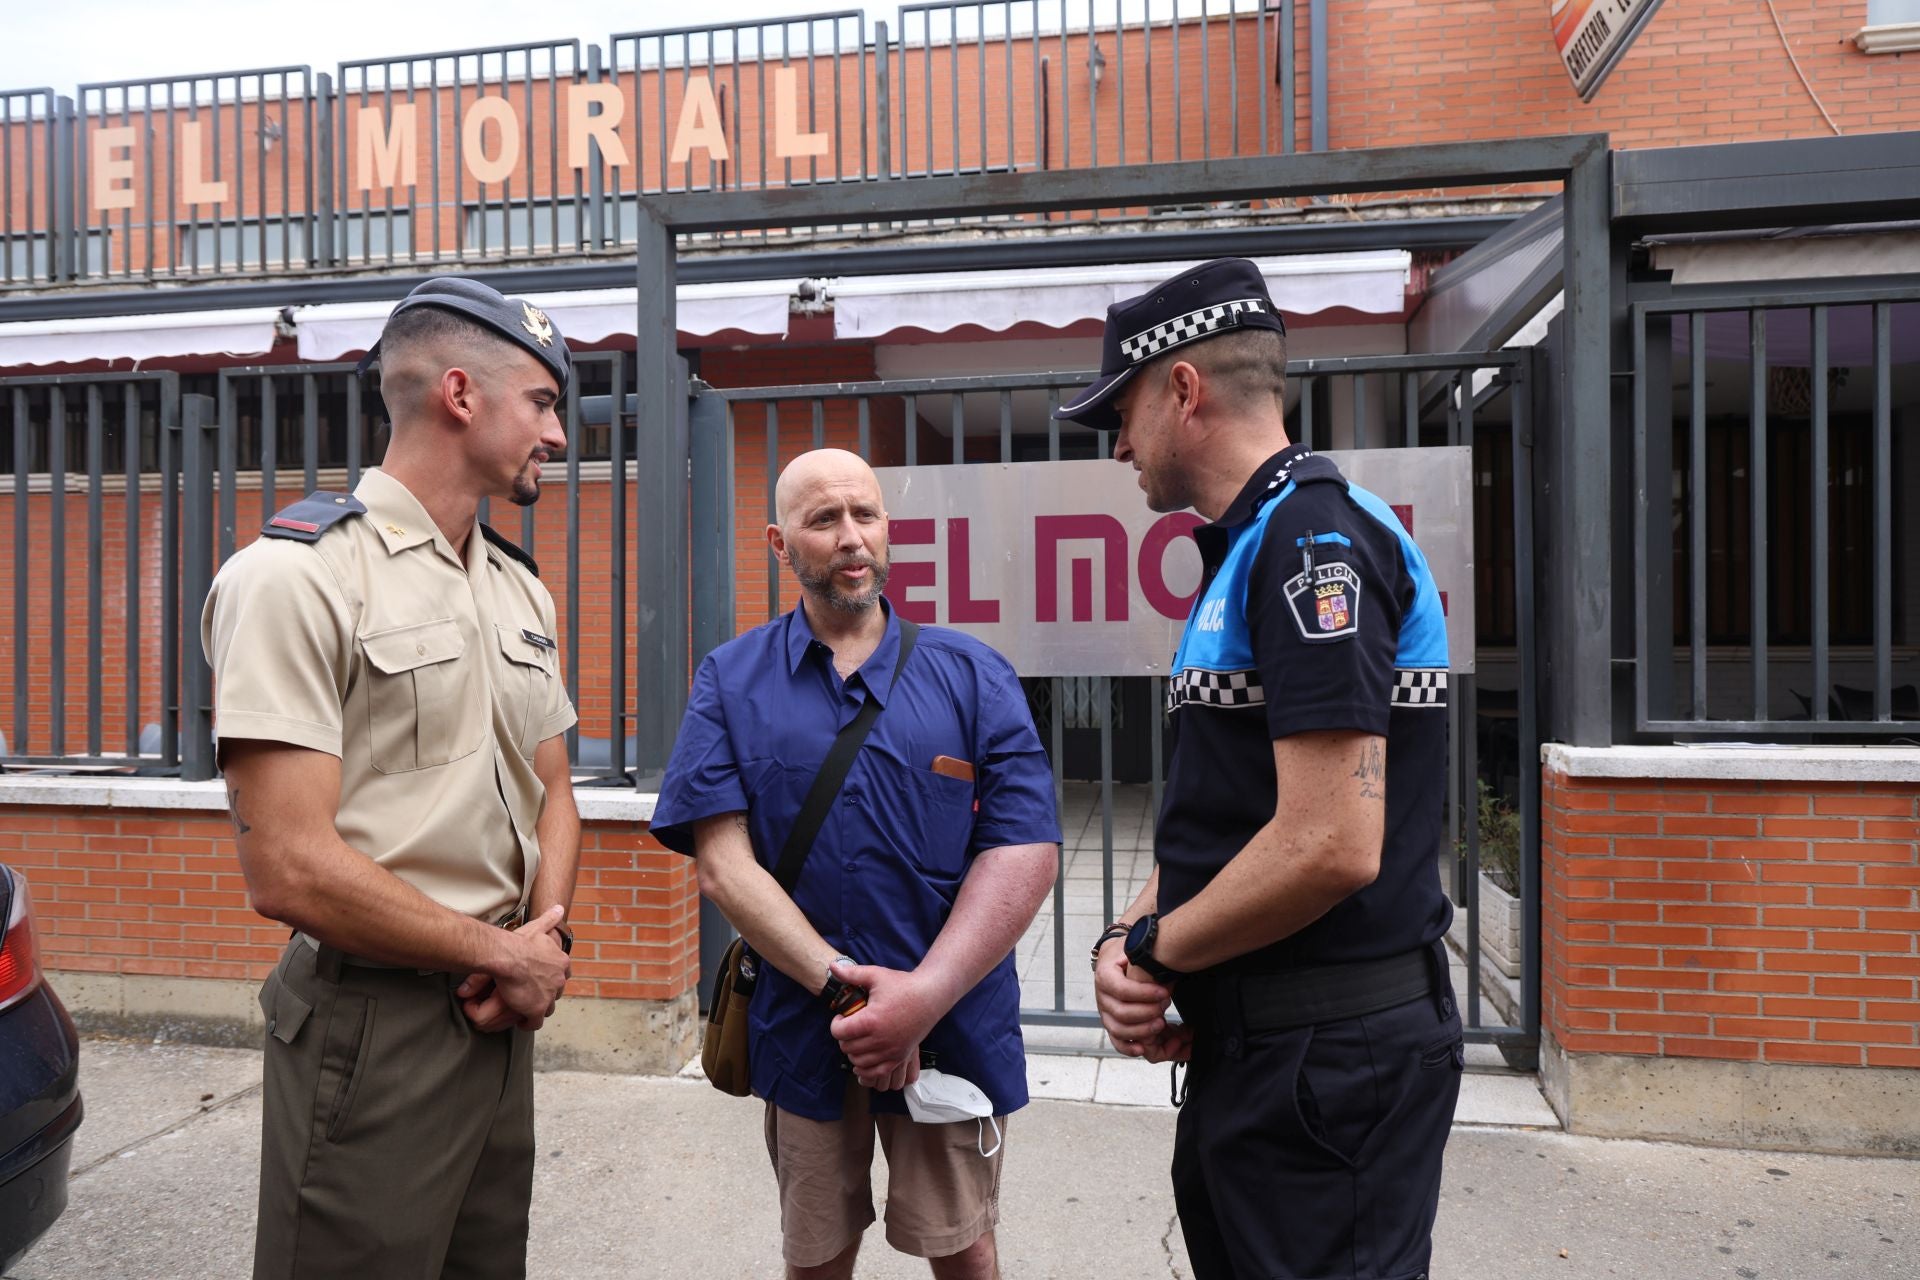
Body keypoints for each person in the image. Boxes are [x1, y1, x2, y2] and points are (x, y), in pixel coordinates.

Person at [1061, 258, 1463, 1280]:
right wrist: (1128, 935)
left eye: (1121, 409)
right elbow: (1232, 809)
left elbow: (1330, 841)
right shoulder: (1254, 546)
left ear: (1182, 389)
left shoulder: (1310, 542)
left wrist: (1154, 953)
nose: (1115, 442)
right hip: (1273, 1056)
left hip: (1326, 1060)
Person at [202, 277, 581, 1279]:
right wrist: (496, 953)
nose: (557, 433)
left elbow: (555, 787)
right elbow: (286, 864)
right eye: (543, 403)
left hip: (499, 1013)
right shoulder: (300, 576)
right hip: (373, 1026)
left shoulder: (517, 585)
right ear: (461, 393)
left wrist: (540, 942)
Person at [651, 447, 1060, 1280]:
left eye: (864, 515)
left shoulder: (972, 674)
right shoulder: (729, 680)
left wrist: (922, 1000)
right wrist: (853, 998)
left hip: (951, 1026)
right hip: (806, 1025)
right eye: (823, 519)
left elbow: (1024, 851)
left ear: (887, 528)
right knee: (816, 1254)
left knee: (966, 1249)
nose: (850, 537)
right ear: (780, 543)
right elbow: (725, 867)